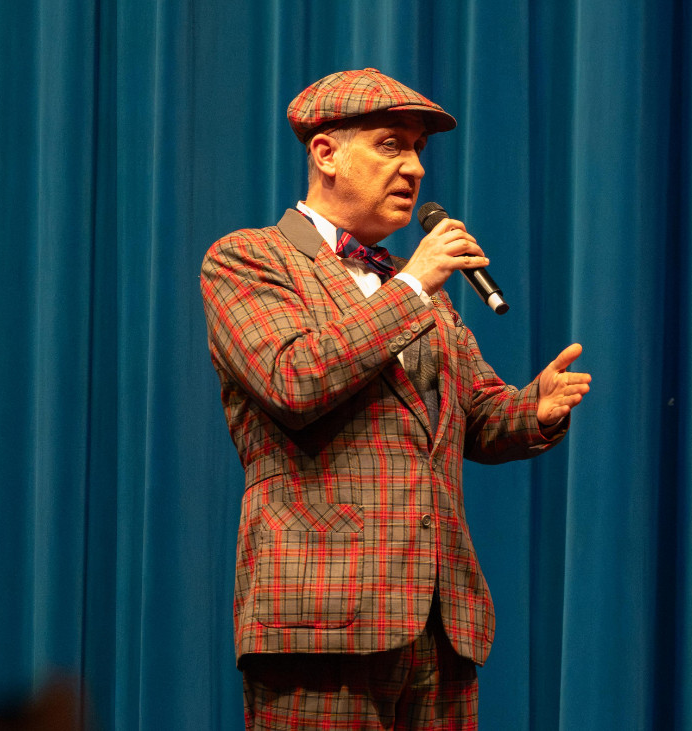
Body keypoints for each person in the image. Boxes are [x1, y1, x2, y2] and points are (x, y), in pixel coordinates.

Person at [200, 68, 591, 729]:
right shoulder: (251, 258)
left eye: (417, 150)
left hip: (439, 624)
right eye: (391, 145)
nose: (413, 167)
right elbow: (293, 379)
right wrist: (412, 286)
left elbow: (475, 414)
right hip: (320, 618)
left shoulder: (413, 291)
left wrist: (535, 409)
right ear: (326, 153)